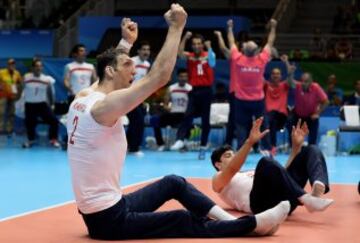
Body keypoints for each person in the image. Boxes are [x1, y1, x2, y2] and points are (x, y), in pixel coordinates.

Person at [67, 6, 290, 240]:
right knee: (181, 219)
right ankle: (250, 226)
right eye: (127, 65)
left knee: (174, 183)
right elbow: (159, 77)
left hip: (110, 207)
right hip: (108, 220)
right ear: (112, 72)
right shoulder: (104, 108)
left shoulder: (84, 97)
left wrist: (125, 43)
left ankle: (235, 222)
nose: (134, 69)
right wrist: (176, 27)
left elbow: (106, 72)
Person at [211, 117, 334, 215]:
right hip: (261, 205)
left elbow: (283, 176)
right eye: (228, 156)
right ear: (218, 164)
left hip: (283, 201)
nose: (233, 157)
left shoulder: (249, 172)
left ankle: (317, 191)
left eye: (234, 154)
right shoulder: (217, 180)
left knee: (311, 149)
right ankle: (306, 199)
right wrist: (249, 142)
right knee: (266, 161)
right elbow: (233, 168)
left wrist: (295, 148)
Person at [227, 18, 277, 154]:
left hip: (241, 101)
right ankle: (266, 149)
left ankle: (242, 151)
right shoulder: (261, 59)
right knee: (263, 124)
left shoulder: (237, 59)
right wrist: (273, 27)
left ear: (243, 50)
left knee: (241, 126)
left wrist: (230, 28)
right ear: (256, 51)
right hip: (257, 101)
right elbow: (270, 42)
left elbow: (231, 42)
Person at [170, 31, 216, 159]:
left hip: (206, 91)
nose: (196, 46)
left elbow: (212, 62)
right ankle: (180, 139)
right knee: (187, 114)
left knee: (205, 120)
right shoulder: (190, 56)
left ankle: (203, 146)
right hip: (194, 90)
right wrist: (185, 37)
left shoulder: (208, 55)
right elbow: (179, 53)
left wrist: (209, 47)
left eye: (199, 44)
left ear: (202, 45)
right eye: (194, 44)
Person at [151, 68, 192, 150]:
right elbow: (165, 104)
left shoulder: (190, 89)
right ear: (178, 77)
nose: (183, 78)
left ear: (187, 77)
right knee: (154, 120)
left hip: (185, 115)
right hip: (173, 114)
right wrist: (167, 108)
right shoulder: (171, 88)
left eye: (185, 76)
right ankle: (161, 144)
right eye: (181, 76)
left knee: (189, 119)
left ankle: (183, 143)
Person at [22, 59, 60, 148]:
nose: (38, 68)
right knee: (30, 123)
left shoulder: (46, 79)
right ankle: (30, 140)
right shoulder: (26, 77)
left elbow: (50, 93)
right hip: (29, 104)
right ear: (32, 67)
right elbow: (21, 90)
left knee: (54, 121)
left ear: (42, 67)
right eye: (36, 66)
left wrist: (52, 104)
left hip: (42, 104)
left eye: (40, 66)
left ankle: (53, 139)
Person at [264, 55, 295, 155]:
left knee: (291, 121)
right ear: (270, 76)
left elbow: (290, 80)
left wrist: (287, 65)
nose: (275, 75)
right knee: (270, 119)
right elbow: (258, 75)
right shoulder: (266, 85)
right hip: (269, 116)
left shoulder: (284, 85)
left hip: (282, 116)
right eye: (273, 74)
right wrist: (264, 61)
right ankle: (272, 147)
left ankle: (292, 146)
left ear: (281, 76)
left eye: (278, 74)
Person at [289, 71, 329, 145]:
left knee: (314, 125)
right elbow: (290, 82)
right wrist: (290, 73)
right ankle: (291, 147)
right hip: (298, 115)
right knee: (290, 121)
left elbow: (326, 101)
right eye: (302, 81)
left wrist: (318, 113)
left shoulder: (316, 87)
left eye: (306, 81)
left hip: (311, 116)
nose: (303, 83)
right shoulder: (298, 86)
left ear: (311, 81)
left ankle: (311, 146)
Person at [126, 41, 151, 155]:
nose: (146, 52)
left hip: (139, 98)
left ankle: (128, 146)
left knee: (134, 122)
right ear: (138, 51)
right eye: (144, 49)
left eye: (148, 50)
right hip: (129, 96)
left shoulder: (147, 64)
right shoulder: (132, 61)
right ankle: (135, 148)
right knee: (138, 121)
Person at [0, 58, 22, 134]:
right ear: (7, 65)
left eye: (13, 64)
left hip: (13, 96)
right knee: (1, 112)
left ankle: (10, 129)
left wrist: (18, 92)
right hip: (3, 95)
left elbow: (20, 84)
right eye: (10, 64)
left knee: (11, 113)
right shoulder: (1, 72)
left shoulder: (17, 73)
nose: (11, 65)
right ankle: (0, 129)